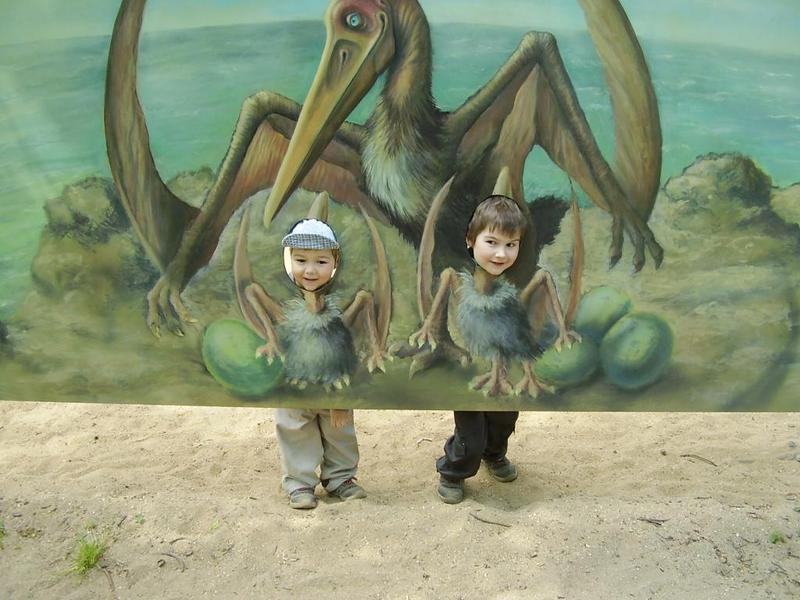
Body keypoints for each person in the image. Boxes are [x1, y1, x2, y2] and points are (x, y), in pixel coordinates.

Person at [409, 195, 576, 503]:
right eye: (492, 242)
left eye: (511, 245)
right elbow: (446, 278)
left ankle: (495, 454)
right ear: (470, 241)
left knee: (504, 420)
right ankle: (453, 471)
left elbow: (539, 286)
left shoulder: (512, 288)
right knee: (470, 432)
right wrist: (429, 324)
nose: (501, 253)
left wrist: (563, 327)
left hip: (503, 364)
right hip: (475, 366)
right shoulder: (460, 282)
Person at [272, 218, 366, 509]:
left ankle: (340, 478)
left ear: (335, 262)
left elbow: (349, 341)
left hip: (333, 377)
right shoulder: (282, 299)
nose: (310, 270)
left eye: (321, 261)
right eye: (301, 260)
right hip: (296, 378)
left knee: (340, 429)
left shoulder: (340, 299)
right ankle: (300, 482)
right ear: (288, 260)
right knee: (294, 428)